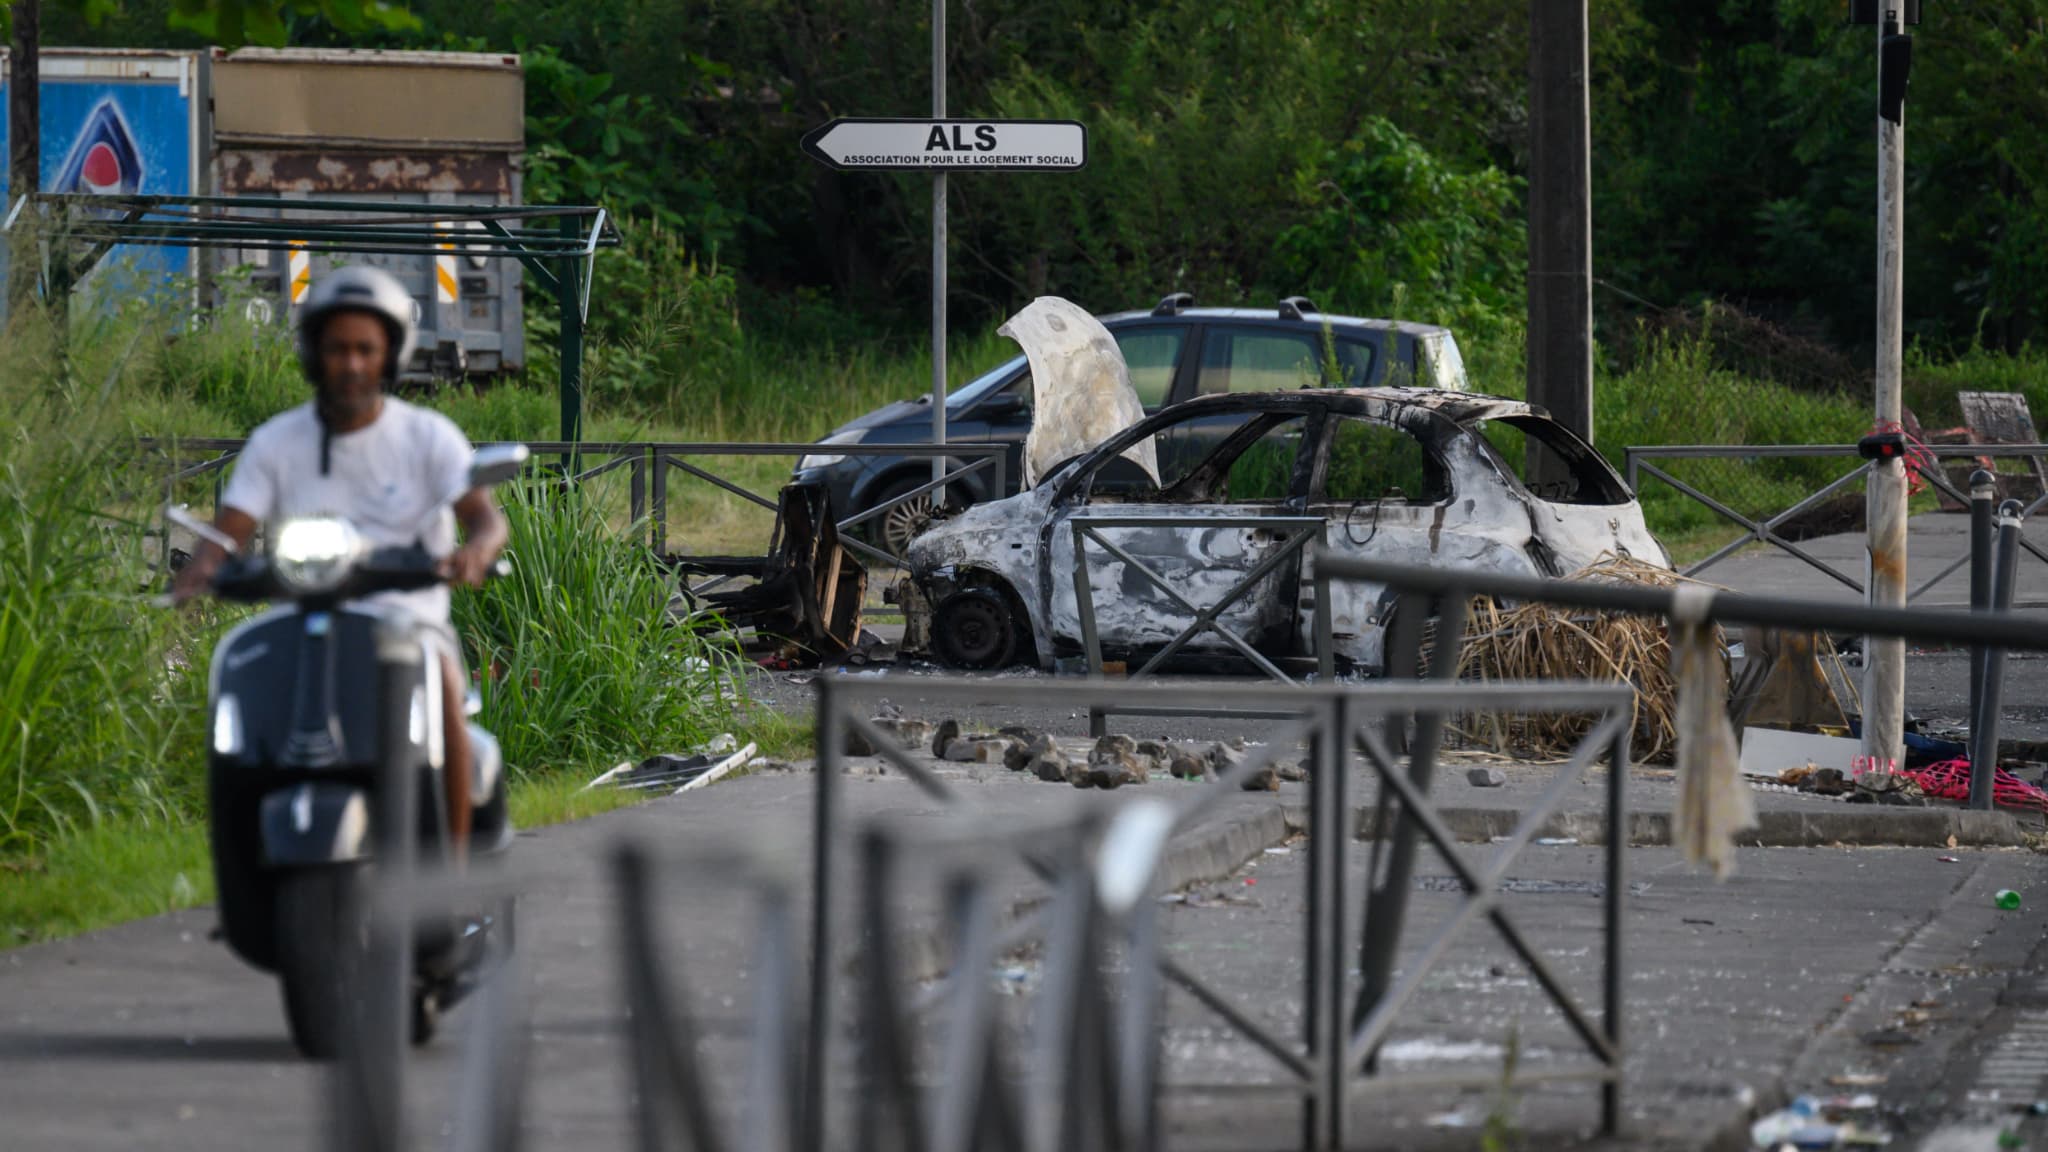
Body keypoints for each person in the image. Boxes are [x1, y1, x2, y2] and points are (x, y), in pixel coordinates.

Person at [173, 265, 509, 858]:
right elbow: (230, 531)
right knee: (241, 691)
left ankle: (449, 876)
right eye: (336, 349)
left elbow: (485, 518)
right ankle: (244, 861)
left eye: (365, 349)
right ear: (312, 354)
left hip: (410, 621)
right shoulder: (277, 441)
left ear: (389, 357)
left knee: (447, 688)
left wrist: (475, 552)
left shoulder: (429, 436)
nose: (351, 363)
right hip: (303, 618)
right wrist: (203, 567)